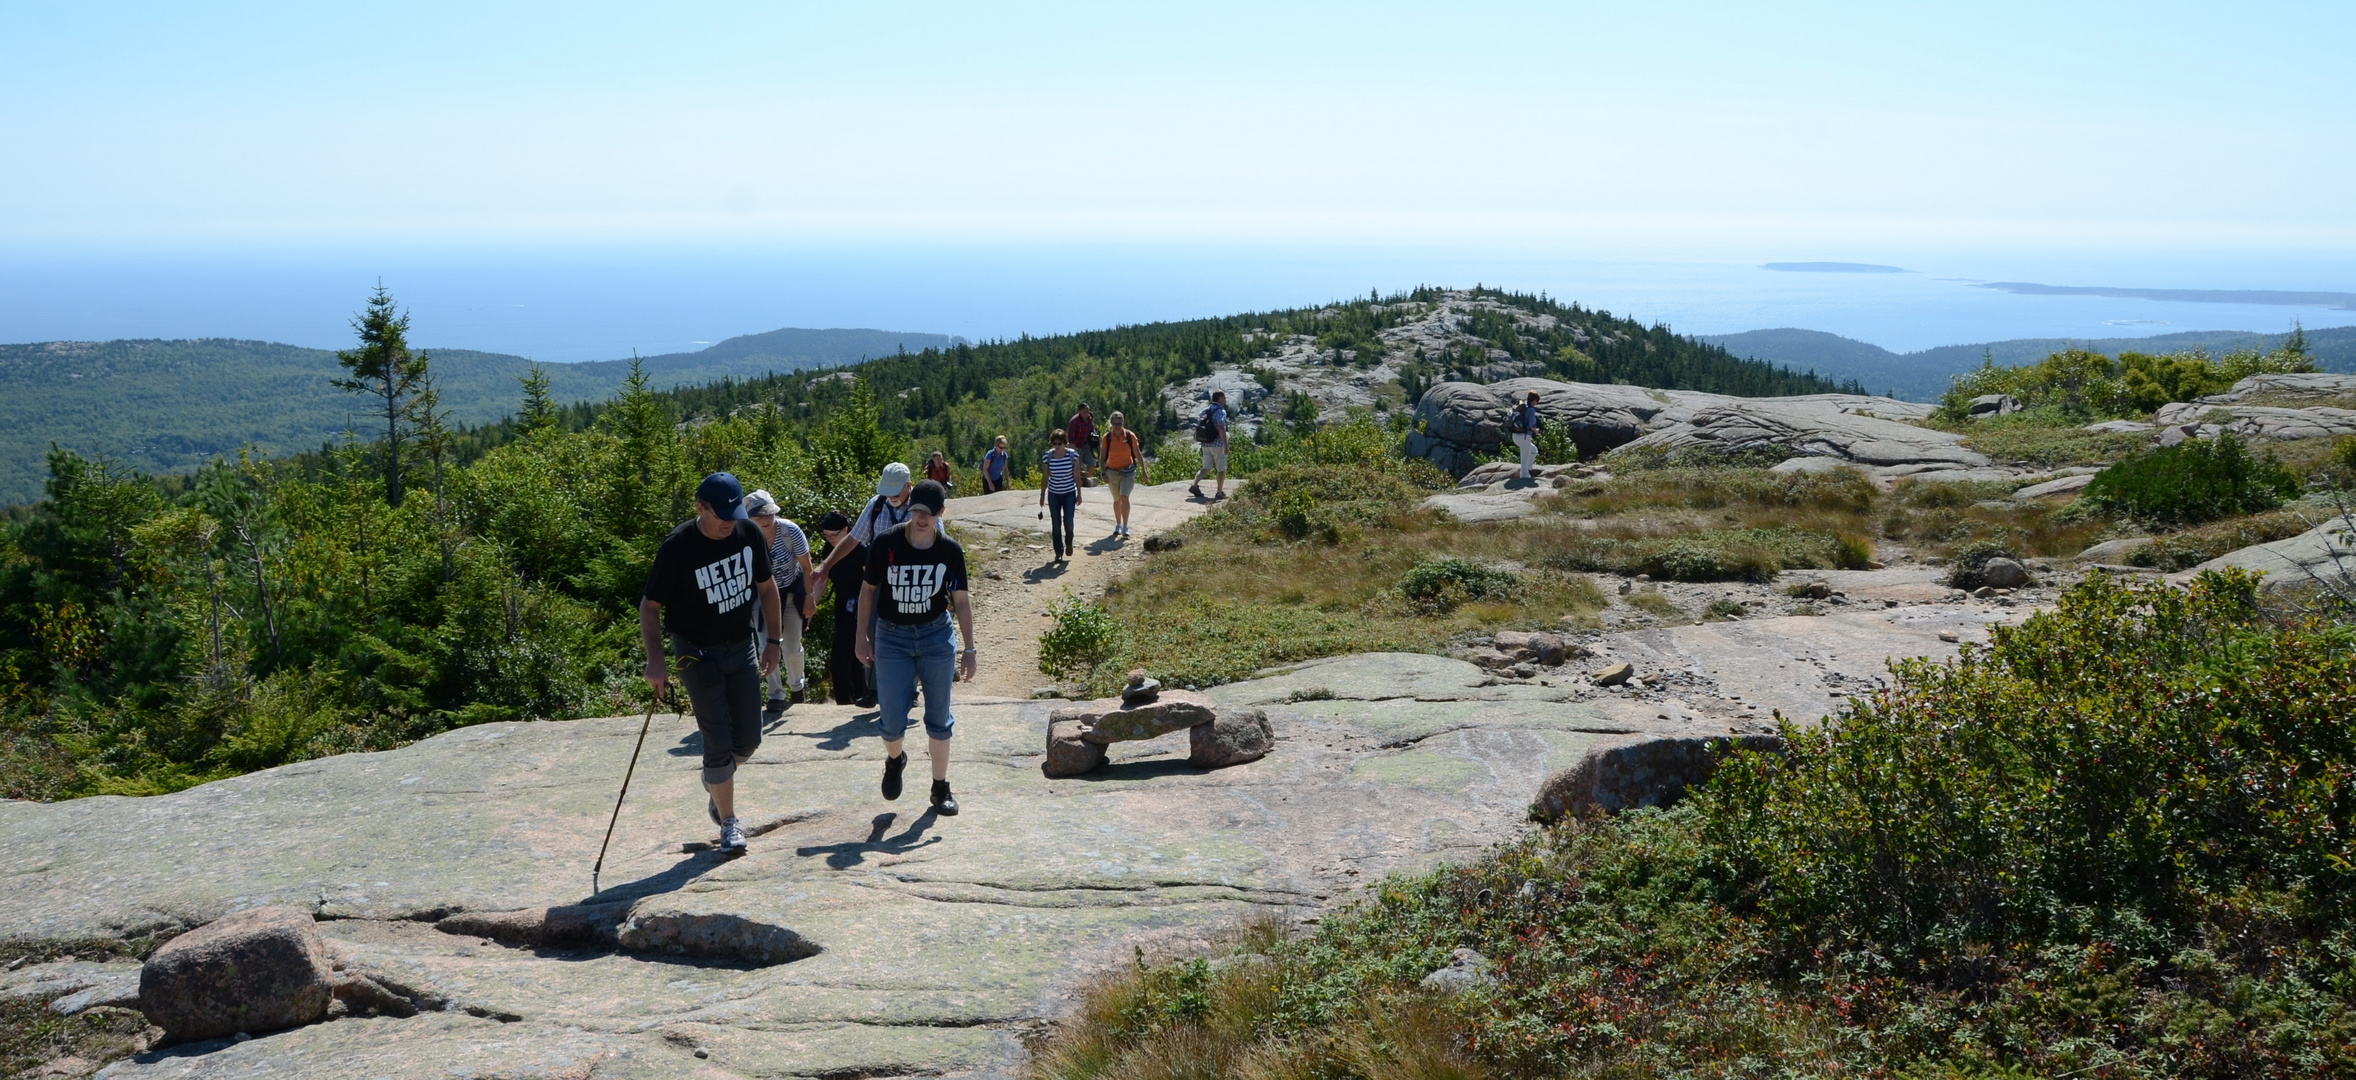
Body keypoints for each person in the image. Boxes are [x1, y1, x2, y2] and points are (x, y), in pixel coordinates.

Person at [639, 472, 784, 855]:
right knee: (717, 738)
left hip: (742, 645)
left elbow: (767, 589)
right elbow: (650, 606)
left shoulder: (748, 534)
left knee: (750, 738)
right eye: (721, 515)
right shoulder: (678, 547)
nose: (729, 522)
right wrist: (656, 661)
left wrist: (774, 641)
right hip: (695, 652)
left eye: (734, 513)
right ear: (700, 508)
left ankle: (715, 782)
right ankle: (730, 822)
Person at [854, 480, 975, 817]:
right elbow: (868, 590)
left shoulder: (949, 550)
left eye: (929, 513)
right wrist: (861, 636)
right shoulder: (887, 542)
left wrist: (970, 648)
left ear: (941, 514)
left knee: (939, 718)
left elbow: (961, 601)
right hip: (892, 637)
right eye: (917, 511)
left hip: (936, 636)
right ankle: (895, 759)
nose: (921, 518)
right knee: (891, 722)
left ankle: (940, 787)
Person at [817, 463, 917, 697]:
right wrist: (826, 565)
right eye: (887, 491)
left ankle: (909, 690)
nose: (890, 497)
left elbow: (937, 539)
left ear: (908, 486)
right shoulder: (876, 505)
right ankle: (873, 689)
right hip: (880, 581)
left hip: (912, 582)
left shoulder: (920, 506)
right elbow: (852, 539)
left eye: (895, 492)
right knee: (873, 634)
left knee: (911, 635)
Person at [744, 489, 815, 710]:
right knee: (766, 645)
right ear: (749, 517)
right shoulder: (743, 535)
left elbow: (806, 565)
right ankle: (775, 694)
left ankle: (797, 687)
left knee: (792, 647)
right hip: (761, 595)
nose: (765, 520)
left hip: (791, 591)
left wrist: (810, 597)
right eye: (759, 516)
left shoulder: (789, 530)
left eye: (769, 514)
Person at [816, 510, 870, 706]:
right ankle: (853, 697)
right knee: (850, 652)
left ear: (846, 530)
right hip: (841, 602)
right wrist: (812, 606)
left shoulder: (860, 549)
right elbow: (822, 580)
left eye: (834, 535)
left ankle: (849, 698)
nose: (830, 539)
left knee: (842, 652)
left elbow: (870, 582)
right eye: (826, 535)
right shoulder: (828, 550)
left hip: (859, 603)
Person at [1098, 410, 1143, 538]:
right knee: (1116, 499)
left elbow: (1137, 453)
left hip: (1128, 471)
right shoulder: (1107, 438)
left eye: (1120, 423)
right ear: (1111, 423)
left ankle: (1125, 526)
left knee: (1124, 497)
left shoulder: (1130, 436)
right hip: (1112, 471)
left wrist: (1144, 471)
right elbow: (1102, 458)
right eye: (1115, 423)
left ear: (1123, 423)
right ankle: (1118, 524)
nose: (1117, 426)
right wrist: (1103, 473)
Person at [1038, 429, 1082, 561]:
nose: (1057, 446)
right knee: (1055, 524)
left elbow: (1077, 476)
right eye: (1054, 443)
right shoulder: (1048, 456)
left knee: (1068, 521)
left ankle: (1069, 542)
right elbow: (1045, 476)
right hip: (1054, 494)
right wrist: (1042, 494)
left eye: (1059, 443)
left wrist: (1079, 494)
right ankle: (1058, 552)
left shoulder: (1072, 455)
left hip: (1069, 492)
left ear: (1065, 442)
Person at [1188, 390, 1230, 501]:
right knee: (1221, 469)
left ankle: (1194, 485)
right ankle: (1219, 492)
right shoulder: (1221, 411)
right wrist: (1225, 444)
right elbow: (1221, 426)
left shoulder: (1205, 410)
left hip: (1205, 443)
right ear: (1220, 398)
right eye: (1224, 398)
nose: (1225, 400)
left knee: (1206, 467)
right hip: (1217, 444)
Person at [1508, 390, 1542, 481]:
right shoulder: (1531, 410)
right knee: (1525, 458)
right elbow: (1531, 426)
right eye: (1537, 401)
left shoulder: (1522, 405)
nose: (1537, 403)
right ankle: (1524, 476)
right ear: (1534, 400)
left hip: (1515, 435)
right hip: (1524, 436)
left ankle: (1528, 469)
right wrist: (1536, 431)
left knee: (1534, 450)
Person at [1066, 404, 1097, 485]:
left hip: (1086, 444)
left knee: (1092, 463)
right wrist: (1074, 451)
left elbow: (1092, 428)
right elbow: (1071, 437)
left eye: (1088, 411)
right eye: (1084, 412)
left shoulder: (1090, 418)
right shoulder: (1074, 421)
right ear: (1080, 412)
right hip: (1076, 445)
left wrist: (1094, 436)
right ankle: (1077, 480)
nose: (1087, 414)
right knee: (1076, 466)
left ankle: (1084, 478)